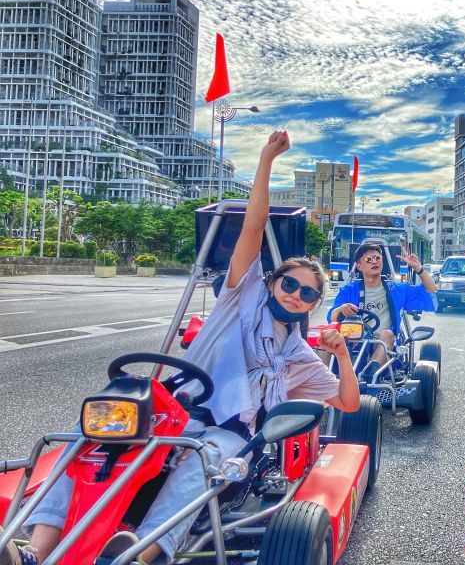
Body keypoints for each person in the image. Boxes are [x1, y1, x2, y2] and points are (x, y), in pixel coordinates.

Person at [3, 131, 360, 565]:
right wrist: (266, 158)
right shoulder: (238, 302)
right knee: (91, 437)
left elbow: (348, 403)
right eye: (289, 284)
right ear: (270, 282)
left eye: (307, 294)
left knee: (201, 459)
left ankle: (140, 553)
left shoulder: (299, 355)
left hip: (229, 433)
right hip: (173, 409)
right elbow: (253, 224)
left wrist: (341, 354)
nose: (295, 296)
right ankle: (35, 551)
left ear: (314, 305)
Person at [328, 242, 437, 367]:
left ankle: (371, 373)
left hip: (384, 343)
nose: (375, 261)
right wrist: (341, 309)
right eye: (369, 259)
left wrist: (418, 268)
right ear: (359, 266)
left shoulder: (397, 290)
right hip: (352, 341)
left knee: (386, 334)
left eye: (378, 258)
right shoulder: (348, 290)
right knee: (322, 338)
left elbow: (431, 290)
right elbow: (332, 319)